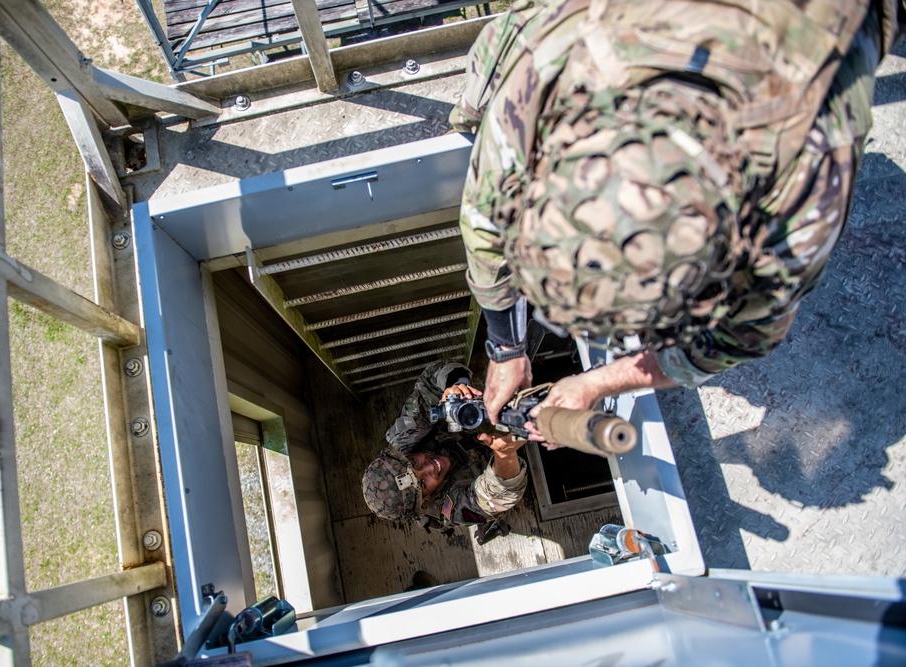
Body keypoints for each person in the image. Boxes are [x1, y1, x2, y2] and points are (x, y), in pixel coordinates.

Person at [450, 0, 905, 439]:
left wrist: (597, 383)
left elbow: (731, 343)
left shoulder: (801, 203)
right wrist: (507, 349)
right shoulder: (552, 71)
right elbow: (485, 224)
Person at [361, 360, 527, 538]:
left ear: (404, 455)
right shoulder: (450, 507)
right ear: (425, 499)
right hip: (497, 469)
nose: (431, 467)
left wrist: (457, 386)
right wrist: (505, 454)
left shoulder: (402, 440)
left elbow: (428, 383)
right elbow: (502, 493)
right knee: (490, 511)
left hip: (472, 431)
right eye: (423, 483)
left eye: (415, 462)